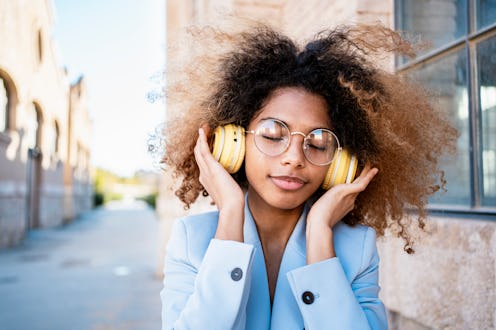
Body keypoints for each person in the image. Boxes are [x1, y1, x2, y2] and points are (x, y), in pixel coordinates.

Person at [159, 22, 458, 329]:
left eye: (317, 142)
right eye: (274, 134)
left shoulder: (357, 248)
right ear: (233, 142)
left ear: (341, 161)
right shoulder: (190, 241)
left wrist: (319, 236)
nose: (294, 158)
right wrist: (231, 213)